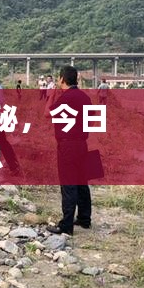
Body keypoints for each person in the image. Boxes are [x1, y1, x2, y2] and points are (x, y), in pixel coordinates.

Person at [45, 65, 92, 235]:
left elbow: (47, 113)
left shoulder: (65, 98)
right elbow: (92, 120)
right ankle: (85, 219)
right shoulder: (85, 97)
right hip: (82, 143)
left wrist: (51, 95)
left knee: (68, 184)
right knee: (82, 182)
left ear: (62, 79)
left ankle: (66, 225)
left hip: (67, 145)